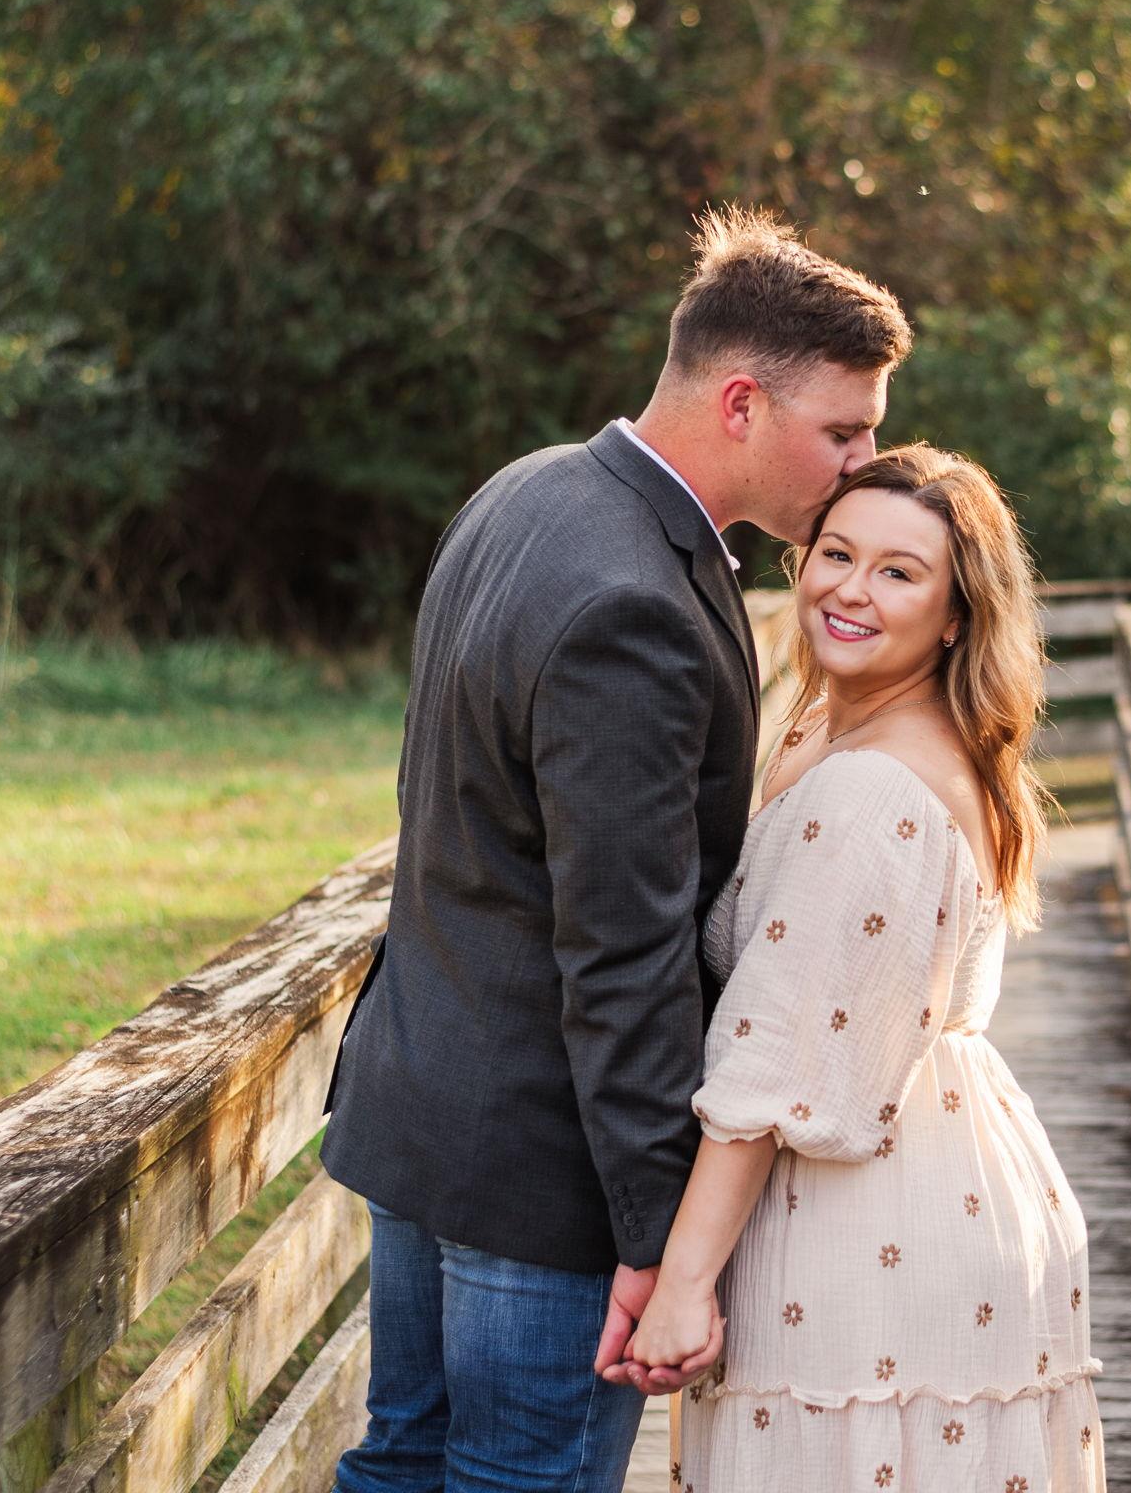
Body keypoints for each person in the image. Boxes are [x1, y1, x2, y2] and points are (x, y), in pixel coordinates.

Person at [321, 206, 911, 1493]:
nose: (864, 463)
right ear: (743, 402)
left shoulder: (531, 487)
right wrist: (657, 1236)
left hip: (421, 1102)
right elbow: (623, 950)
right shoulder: (633, 605)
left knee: (401, 1460)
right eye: (845, 431)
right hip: (538, 1167)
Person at [605, 446, 1107, 1492]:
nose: (850, 589)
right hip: (937, 1169)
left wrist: (682, 1281)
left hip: (873, 1222)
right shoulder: (834, 724)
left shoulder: (875, 788)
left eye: (899, 572)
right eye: (837, 553)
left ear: (957, 613)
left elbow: (772, 1058)